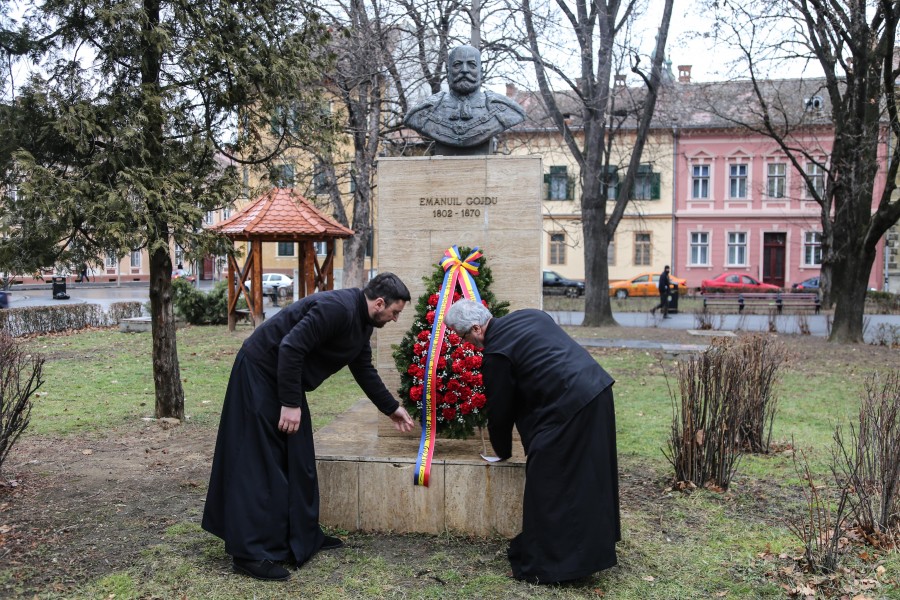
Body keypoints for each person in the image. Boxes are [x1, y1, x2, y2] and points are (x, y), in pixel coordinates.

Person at [202, 272, 416, 581]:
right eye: (395, 312)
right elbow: (290, 347)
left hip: (285, 379)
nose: (395, 319)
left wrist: (391, 408)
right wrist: (290, 403)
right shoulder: (336, 308)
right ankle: (250, 553)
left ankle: (302, 536)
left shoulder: (362, 324)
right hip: (260, 372)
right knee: (261, 463)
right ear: (379, 303)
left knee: (298, 459)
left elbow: (363, 369)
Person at [444, 300, 620, 584]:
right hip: (596, 389)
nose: (468, 345)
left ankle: (556, 564)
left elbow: (501, 412)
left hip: (569, 405)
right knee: (590, 475)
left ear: (476, 328)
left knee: (548, 483)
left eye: (464, 337)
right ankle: (592, 546)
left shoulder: (496, 353)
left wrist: (501, 450)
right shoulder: (528, 316)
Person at [404, 45, 526, 155]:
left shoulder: (504, 109)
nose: (464, 70)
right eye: (457, 65)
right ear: (447, 72)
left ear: (481, 72)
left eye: (471, 65)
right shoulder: (423, 112)